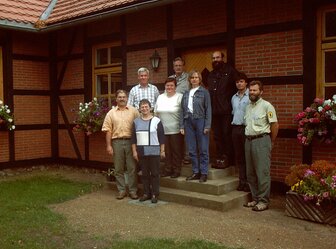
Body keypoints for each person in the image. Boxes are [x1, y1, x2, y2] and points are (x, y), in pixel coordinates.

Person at [243, 80, 279, 212]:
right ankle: (255, 198)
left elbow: (274, 125)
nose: (252, 92)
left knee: (262, 172)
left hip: (262, 141)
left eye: (255, 90)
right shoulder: (248, 106)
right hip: (248, 141)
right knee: (250, 172)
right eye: (250, 90)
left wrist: (271, 142)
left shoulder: (267, 106)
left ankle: (264, 201)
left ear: (261, 92)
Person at [102, 90, 139, 200]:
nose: (122, 99)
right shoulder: (111, 113)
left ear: (127, 98)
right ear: (116, 99)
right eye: (119, 97)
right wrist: (108, 146)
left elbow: (139, 127)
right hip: (116, 142)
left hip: (131, 142)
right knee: (118, 168)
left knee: (132, 167)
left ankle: (133, 191)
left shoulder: (134, 111)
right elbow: (108, 130)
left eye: (124, 97)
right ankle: (121, 190)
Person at [207, 51, 238, 168]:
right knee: (217, 135)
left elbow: (238, 86)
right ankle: (219, 157)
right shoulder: (210, 74)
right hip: (214, 111)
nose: (216, 60)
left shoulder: (230, 72)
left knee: (226, 134)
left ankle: (227, 158)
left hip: (226, 110)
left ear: (222, 58)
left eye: (218, 57)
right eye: (214, 58)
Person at [180, 70, 212, 183]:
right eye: (192, 77)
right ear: (189, 80)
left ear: (200, 79)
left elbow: (208, 109)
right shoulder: (186, 93)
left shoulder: (204, 92)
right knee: (192, 149)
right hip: (188, 121)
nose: (194, 79)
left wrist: (207, 125)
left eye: (196, 77)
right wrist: (182, 125)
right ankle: (196, 172)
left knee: (203, 148)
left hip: (200, 120)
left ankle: (204, 173)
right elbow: (182, 110)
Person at [131, 99, 165, 203]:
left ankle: (155, 194)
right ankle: (146, 193)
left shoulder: (157, 121)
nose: (144, 109)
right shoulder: (136, 122)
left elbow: (162, 137)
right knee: (144, 174)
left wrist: (162, 150)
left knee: (154, 173)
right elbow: (133, 139)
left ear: (150, 108)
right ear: (139, 109)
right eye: (142, 107)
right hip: (141, 152)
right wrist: (134, 151)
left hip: (154, 152)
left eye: (146, 107)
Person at [155, 77, 183, 178]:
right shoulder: (160, 97)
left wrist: (182, 126)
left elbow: (183, 113)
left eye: (171, 85)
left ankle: (176, 170)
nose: (169, 87)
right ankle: (168, 169)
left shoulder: (180, 96)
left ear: (175, 86)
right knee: (166, 151)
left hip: (176, 129)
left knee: (176, 151)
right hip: (163, 129)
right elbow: (156, 113)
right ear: (165, 86)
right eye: (167, 85)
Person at [231, 72, 250, 192]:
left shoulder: (250, 96)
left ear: (246, 83)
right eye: (237, 82)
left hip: (246, 129)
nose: (239, 83)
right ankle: (241, 181)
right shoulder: (234, 97)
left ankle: (248, 183)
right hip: (235, 129)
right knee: (239, 158)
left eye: (241, 81)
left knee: (247, 157)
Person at [169, 57, 190, 164]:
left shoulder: (188, 78)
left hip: (185, 111)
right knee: (175, 135)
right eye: (176, 65)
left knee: (186, 134)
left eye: (180, 65)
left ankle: (187, 157)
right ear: (173, 67)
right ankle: (177, 157)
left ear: (183, 66)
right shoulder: (170, 79)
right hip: (173, 112)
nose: (178, 67)